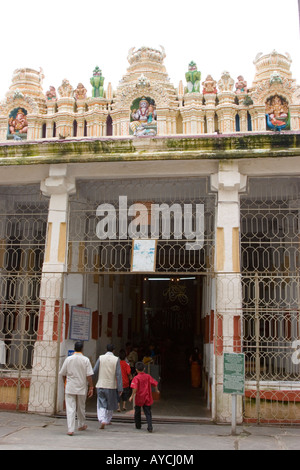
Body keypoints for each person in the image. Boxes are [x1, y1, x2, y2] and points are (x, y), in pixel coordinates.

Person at [59, 341, 94, 436]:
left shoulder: (68, 359)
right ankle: (81, 424)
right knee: (81, 407)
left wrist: (65, 383)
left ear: (74, 348)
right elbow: (89, 375)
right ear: (82, 349)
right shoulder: (85, 360)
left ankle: (70, 429)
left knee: (70, 408)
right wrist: (91, 386)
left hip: (70, 386)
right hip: (82, 387)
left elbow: (63, 374)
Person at [93, 344, 123, 429]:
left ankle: (102, 419)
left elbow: (94, 371)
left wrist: (90, 383)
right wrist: (120, 388)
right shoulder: (116, 359)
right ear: (113, 350)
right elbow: (118, 374)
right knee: (110, 403)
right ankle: (107, 419)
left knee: (101, 402)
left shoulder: (101, 358)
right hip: (111, 385)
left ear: (106, 349)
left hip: (101, 384)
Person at [129, 361, 159, 433]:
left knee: (137, 411)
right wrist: (157, 390)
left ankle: (138, 425)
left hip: (139, 398)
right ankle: (150, 427)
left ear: (136, 370)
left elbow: (135, 388)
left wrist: (132, 396)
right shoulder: (148, 376)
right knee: (148, 412)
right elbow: (154, 383)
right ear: (144, 369)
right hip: (147, 397)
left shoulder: (136, 378)